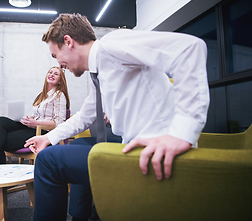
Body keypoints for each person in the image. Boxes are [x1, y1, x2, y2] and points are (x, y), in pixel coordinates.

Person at [24, 13, 210, 221]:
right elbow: (84, 116)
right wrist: (48, 138)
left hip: (152, 153)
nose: (59, 64)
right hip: (135, 148)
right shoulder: (100, 72)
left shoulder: (111, 45)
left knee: (48, 161)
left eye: (56, 56)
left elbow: (189, 49)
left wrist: (182, 134)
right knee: (76, 146)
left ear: (68, 42)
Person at [0, 66, 70, 209]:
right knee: (0, 121)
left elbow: (59, 122)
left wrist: (36, 122)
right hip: (32, 127)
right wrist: (29, 118)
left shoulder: (59, 95)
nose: (51, 74)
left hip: (42, 134)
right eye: (50, 72)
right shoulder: (42, 95)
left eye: (56, 74)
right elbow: (40, 114)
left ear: (60, 80)